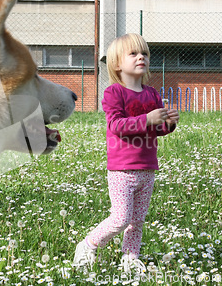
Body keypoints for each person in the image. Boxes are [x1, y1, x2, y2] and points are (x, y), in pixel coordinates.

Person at [73, 33, 179, 275]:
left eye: (145, 53)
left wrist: (169, 124)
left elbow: (157, 129)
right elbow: (117, 126)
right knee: (120, 219)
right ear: (117, 64)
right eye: (133, 53)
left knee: (137, 221)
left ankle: (130, 259)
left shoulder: (151, 94)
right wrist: (147, 118)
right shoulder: (114, 93)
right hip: (122, 170)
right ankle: (88, 245)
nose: (141, 57)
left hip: (147, 169)